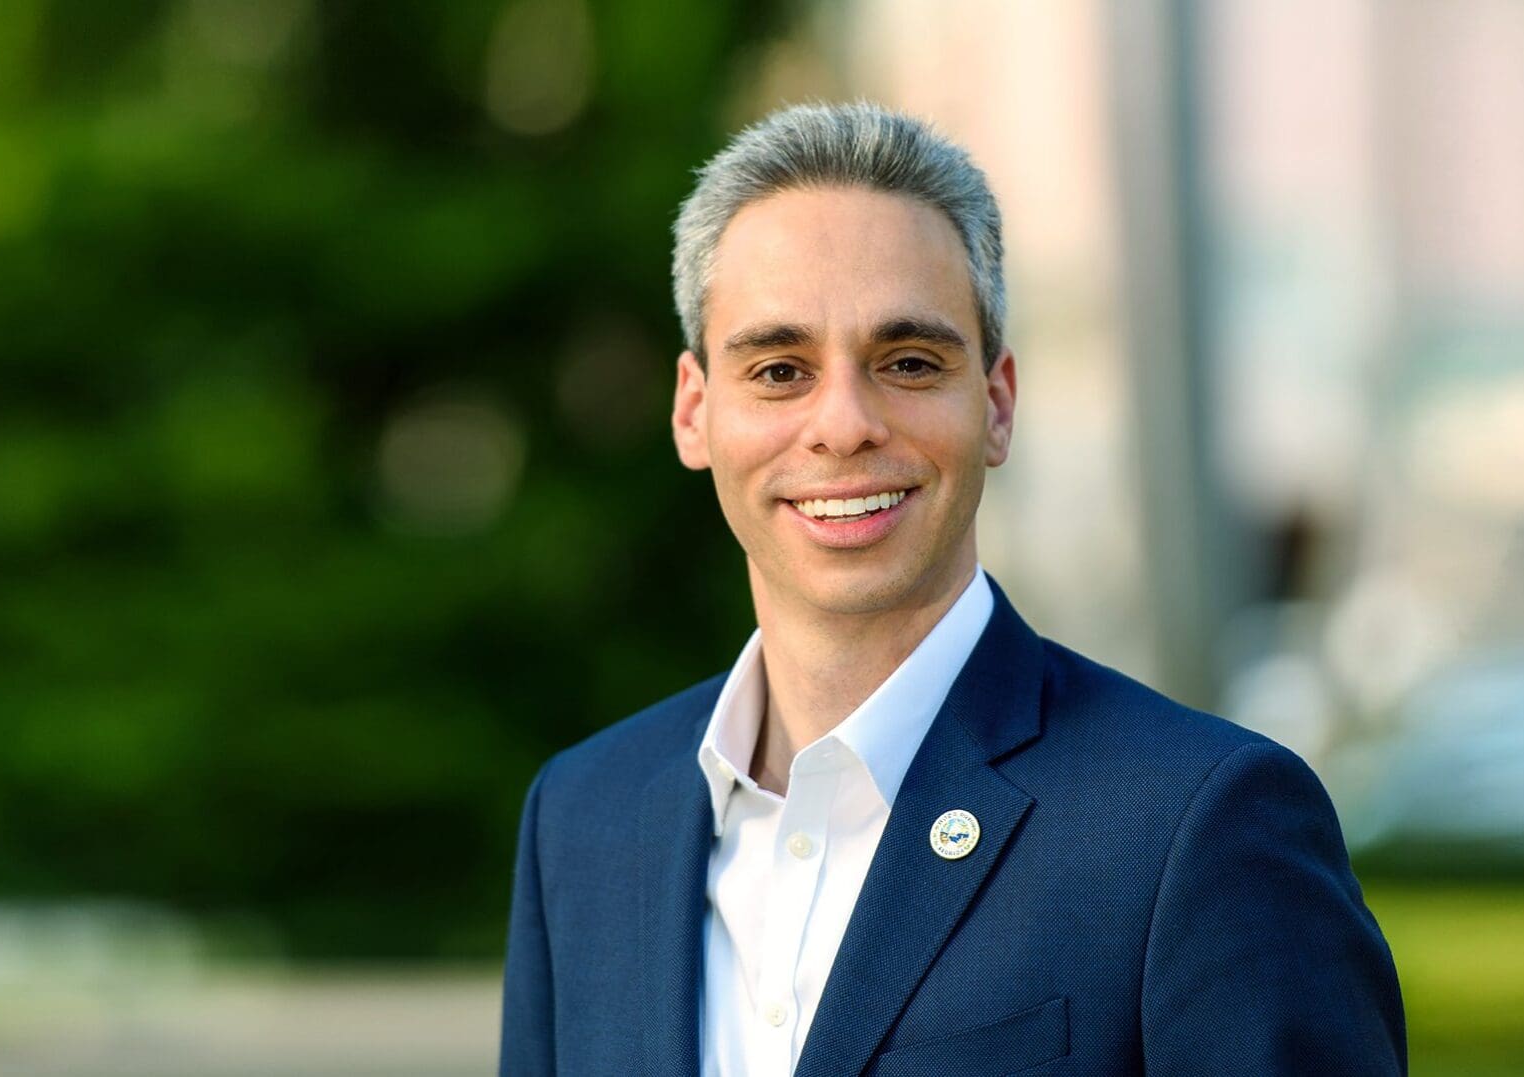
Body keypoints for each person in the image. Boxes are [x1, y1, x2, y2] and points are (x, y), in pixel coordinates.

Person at [500, 101, 1405, 1076]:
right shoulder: (585, 821)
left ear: (998, 404)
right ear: (694, 412)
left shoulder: (1199, 828)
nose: (842, 424)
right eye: (778, 368)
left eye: (909, 362)